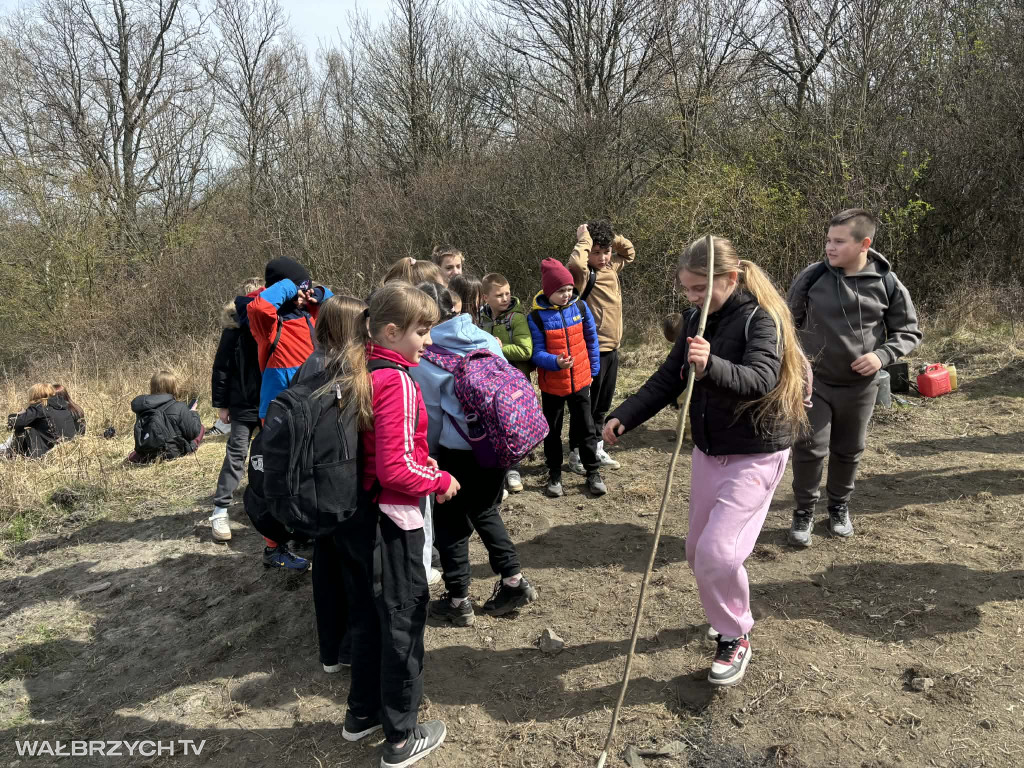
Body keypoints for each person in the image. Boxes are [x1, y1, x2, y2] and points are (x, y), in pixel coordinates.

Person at [604, 236, 808, 687]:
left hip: (755, 453)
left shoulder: (762, 318)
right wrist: (625, 415)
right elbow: (668, 378)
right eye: (687, 288)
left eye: (699, 288)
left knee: (719, 554)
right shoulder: (696, 319)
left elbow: (760, 378)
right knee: (697, 553)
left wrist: (711, 363)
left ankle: (736, 635)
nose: (691, 297)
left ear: (729, 278)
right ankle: (724, 614)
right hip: (709, 451)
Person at [333, 281, 456, 766]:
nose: (429, 340)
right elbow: (397, 469)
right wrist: (440, 479)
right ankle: (402, 737)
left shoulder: (359, 368)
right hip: (392, 520)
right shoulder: (398, 381)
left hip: (357, 517)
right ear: (390, 331)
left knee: (367, 617)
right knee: (403, 621)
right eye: (422, 331)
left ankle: (360, 714)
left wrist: (421, 465)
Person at [787, 209, 922, 546]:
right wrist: (795, 363)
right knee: (809, 448)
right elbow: (786, 324)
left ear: (864, 244)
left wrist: (881, 356)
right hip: (814, 383)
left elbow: (908, 332)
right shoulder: (812, 276)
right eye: (828, 240)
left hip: (860, 386)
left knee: (849, 450)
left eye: (839, 241)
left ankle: (838, 507)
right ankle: (803, 511)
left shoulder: (887, 282)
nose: (829, 247)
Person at [409, 282, 538, 628]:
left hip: (457, 451)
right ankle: (513, 580)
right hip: (498, 442)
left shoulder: (426, 357)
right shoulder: (484, 338)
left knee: (450, 525)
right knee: (485, 509)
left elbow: (431, 418)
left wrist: (429, 459)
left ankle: (458, 600)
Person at [247, 257, 333, 570]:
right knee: (278, 478)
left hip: (311, 409)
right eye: (299, 288)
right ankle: (274, 548)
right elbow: (258, 307)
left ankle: (305, 529)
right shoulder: (268, 324)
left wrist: (317, 293)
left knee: (311, 473)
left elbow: (336, 308)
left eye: (304, 288)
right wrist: (287, 286)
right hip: (278, 412)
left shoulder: (309, 315)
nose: (302, 294)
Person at [528, 258, 606, 498]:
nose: (566, 294)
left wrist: (593, 370)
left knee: (586, 427)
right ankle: (554, 474)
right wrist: (555, 362)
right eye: (561, 290)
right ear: (549, 291)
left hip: (581, 380)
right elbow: (536, 353)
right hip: (552, 385)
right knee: (553, 431)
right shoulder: (536, 317)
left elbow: (591, 340)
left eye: (569, 289)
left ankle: (592, 471)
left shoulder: (581, 308)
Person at [566, 220, 635, 475]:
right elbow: (575, 263)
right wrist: (584, 238)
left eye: (606, 251)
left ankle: (596, 447)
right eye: (596, 252)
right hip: (591, 350)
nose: (603, 257)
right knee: (586, 406)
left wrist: (611, 237)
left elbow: (629, 252)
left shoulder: (611, 266)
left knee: (602, 404)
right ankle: (576, 453)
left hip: (612, 348)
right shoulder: (584, 274)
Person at [208, 277, 264, 543]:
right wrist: (222, 404)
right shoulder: (232, 331)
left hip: (270, 401)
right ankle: (220, 509)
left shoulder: (273, 325)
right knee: (236, 453)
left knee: (273, 453)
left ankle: (272, 503)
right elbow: (221, 368)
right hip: (242, 403)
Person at [479, 272, 534, 494]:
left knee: (513, 426)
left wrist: (499, 347)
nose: (505, 298)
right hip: (490, 382)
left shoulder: (516, 318)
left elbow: (526, 351)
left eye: (507, 293)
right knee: (494, 425)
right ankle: (498, 471)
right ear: (485, 297)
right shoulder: (481, 319)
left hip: (514, 383)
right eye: (499, 295)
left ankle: (514, 470)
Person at [127, 371, 204, 463]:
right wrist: (193, 413)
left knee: (134, 455)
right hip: (172, 452)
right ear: (173, 387)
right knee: (201, 428)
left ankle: (139, 456)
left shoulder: (143, 408)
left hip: (147, 452)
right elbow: (193, 433)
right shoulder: (179, 406)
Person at [4, 384, 80, 458]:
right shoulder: (63, 407)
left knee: (22, 428)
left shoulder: (39, 407)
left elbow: (15, 423)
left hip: (47, 452)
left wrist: (18, 414)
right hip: (68, 449)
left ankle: (12, 454)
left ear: (34, 395)